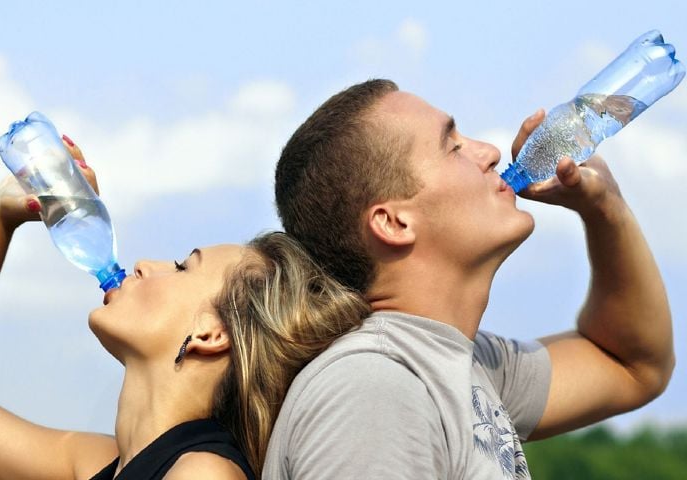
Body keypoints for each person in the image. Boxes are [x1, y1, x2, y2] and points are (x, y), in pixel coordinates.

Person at [264, 79, 674, 479]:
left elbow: (634, 366)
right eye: (453, 146)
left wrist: (604, 205)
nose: (492, 152)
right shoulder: (374, 391)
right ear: (393, 222)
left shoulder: (462, 365)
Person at [0, 138, 370, 480]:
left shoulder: (202, 474)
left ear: (211, 333)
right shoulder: (99, 464)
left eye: (183, 266)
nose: (145, 264)